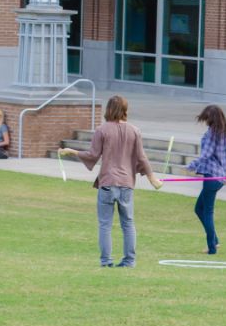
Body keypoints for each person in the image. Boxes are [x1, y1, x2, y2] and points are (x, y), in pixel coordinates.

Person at [61, 95, 163, 268]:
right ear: (125, 110)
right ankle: (129, 261)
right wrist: (152, 177)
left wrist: (73, 152)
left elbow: (93, 155)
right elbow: (142, 158)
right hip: (126, 184)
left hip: (107, 183)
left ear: (108, 109)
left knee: (105, 225)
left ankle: (106, 261)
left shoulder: (102, 130)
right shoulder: (134, 131)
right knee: (128, 224)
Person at [185, 105, 226, 255]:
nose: (205, 121)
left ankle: (212, 248)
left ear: (211, 119)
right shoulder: (225, 133)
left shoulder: (212, 134)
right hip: (220, 176)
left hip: (212, 177)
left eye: (206, 118)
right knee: (199, 209)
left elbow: (205, 155)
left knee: (207, 211)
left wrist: (191, 166)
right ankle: (215, 241)